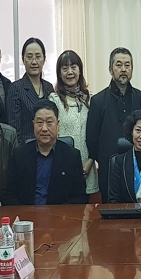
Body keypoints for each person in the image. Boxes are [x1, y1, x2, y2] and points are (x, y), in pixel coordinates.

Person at [3, 100, 87, 205]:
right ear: (33, 124)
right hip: (26, 219)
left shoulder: (72, 156)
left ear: (57, 124)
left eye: (49, 122)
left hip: (60, 218)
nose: (44, 128)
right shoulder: (19, 155)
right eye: (39, 122)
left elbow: (80, 197)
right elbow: (8, 195)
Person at [87, 47, 141, 198]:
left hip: (138, 167)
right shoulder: (98, 101)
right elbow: (92, 138)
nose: (123, 69)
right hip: (108, 168)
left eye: (127, 65)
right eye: (119, 65)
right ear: (110, 69)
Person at [48, 50, 98, 197]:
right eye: (65, 68)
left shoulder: (91, 99)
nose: (70, 72)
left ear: (80, 70)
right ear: (59, 73)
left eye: (73, 67)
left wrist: (90, 161)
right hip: (62, 165)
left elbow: (96, 135)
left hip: (88, 166)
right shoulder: (54, 100)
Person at [7, 37, 54, 145]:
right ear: (23, 60)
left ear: (44, 59)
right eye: (29, 57)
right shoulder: (16, 88)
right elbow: (14, 129)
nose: (34, 61)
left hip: (49, 148)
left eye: (38, 56)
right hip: (26, 149)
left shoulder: (49, 87)